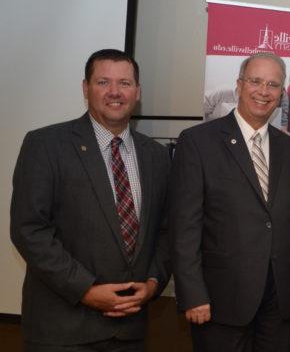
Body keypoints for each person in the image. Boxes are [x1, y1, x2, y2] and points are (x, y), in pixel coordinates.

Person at [10, 49, 171, 351]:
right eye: (102, 82)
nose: (114, 92)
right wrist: (85, 290)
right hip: (63, 331)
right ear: (85, 88)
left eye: (124, 83)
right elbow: (29, 230)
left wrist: (152, 283)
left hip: (130, 330)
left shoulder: (158, 157)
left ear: (137, 91)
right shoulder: (45, 145)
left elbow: (166, 231)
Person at [170, 52, 290, 351]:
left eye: (272, 84)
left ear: (281, 93)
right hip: (220, 302)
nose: (263, 91)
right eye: (255, 81)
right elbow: (185, 226)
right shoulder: (197, 142)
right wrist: (192, 293)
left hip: (279, 302)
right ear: (239, 85)